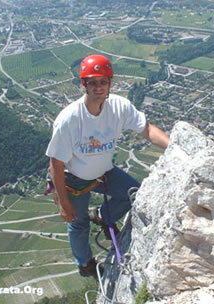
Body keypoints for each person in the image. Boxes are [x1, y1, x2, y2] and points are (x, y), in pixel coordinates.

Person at [45, 54, 169, 279]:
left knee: (136, 194)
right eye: (93, 82)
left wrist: (173, 147)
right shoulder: (70, 119)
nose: (99, 87)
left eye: (103, 82)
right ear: (84, 84)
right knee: (77, 222)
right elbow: (56, 162)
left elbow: (148, 130)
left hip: (103, 172)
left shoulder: (119, 107)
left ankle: (103, 215)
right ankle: (85, 264)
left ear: (110, 83)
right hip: (73, 178)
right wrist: (64, 203)